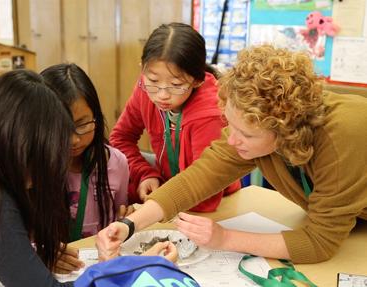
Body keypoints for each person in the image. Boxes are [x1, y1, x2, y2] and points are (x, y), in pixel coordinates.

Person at [96, 44, 367, 264]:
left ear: (286, 130)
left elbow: (319, 243)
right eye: (231, 126)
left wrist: (224, 239)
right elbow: (199, 178)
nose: (233, 140)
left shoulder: (342, 136)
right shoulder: (259, 120)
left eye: (247, 135)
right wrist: (130, 224)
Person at [0, 70, 175, 287]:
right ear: (22, 146)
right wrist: (133, 269)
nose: (56, 163)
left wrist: (25, 258)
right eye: (53, 150)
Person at [110, 22, 240, 212]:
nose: (162, 95)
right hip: (172, 197)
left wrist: (156, 203)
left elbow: (206, 196)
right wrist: (145, 174)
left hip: (216, 206)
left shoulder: (209, 115)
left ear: (197, 80)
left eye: (176, 84)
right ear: (143, 69)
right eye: (153, 80)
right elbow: (121, 138)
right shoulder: (144, 90)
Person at [41, 63, 132, 272]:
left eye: (82, 124)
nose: (73, 139)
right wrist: (42, 253)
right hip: (48, 268)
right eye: (61, 128)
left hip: (99, 266)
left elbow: (120, 214)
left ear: (96, 118)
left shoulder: (116, 163)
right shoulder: (33, 170)